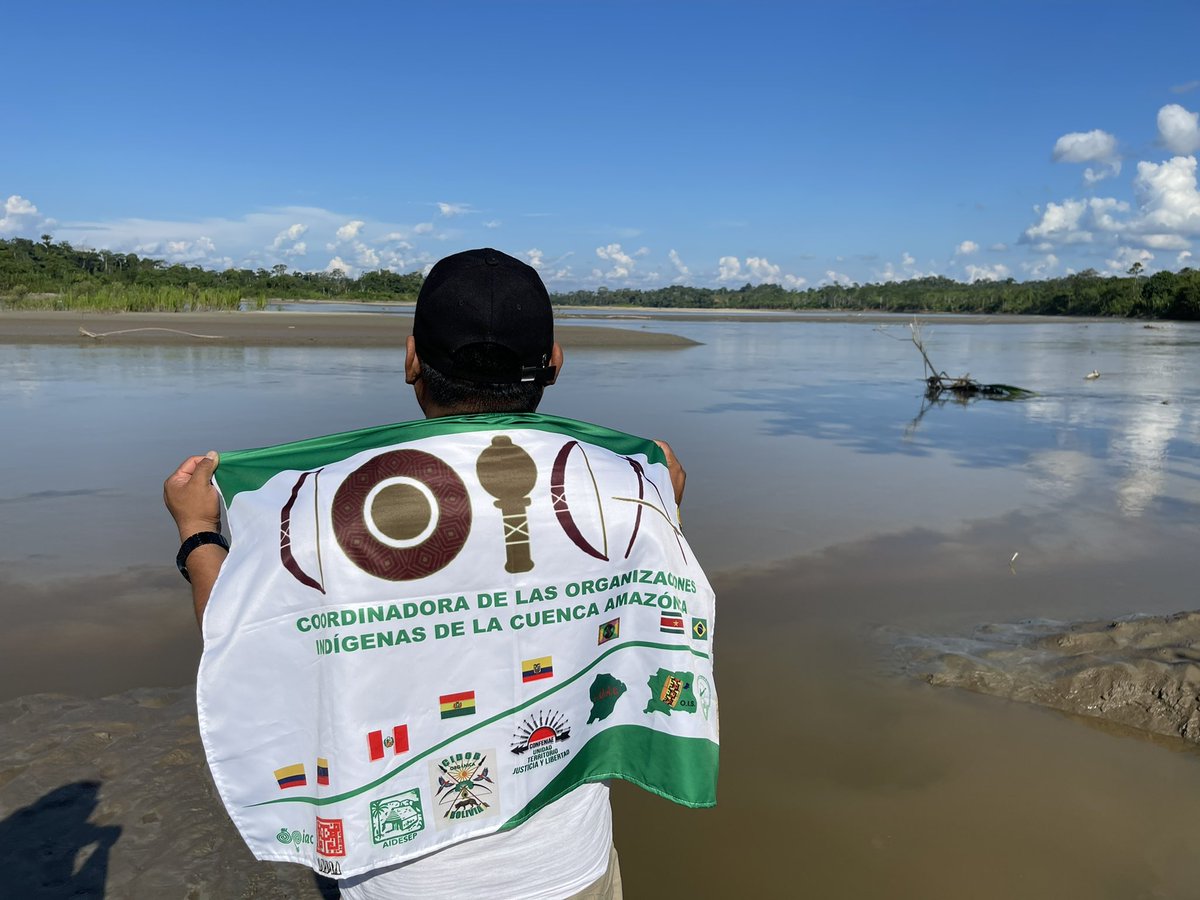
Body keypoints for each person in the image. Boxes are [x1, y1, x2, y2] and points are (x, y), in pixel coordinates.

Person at [164, 248, 686, 899]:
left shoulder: (329, 519)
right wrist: (661, 496)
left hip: (398, 875)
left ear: (412, 358)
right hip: (567, 867)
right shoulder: (618, 499)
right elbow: (647, 586)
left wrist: (197, 533)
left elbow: (242, 640)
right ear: (554, 362)